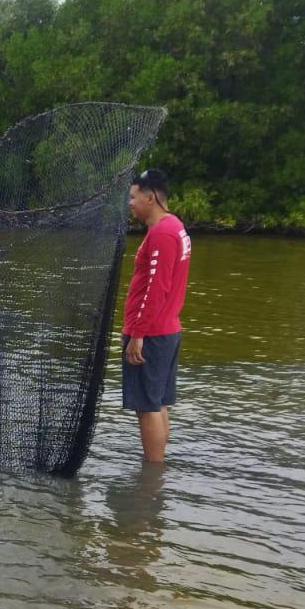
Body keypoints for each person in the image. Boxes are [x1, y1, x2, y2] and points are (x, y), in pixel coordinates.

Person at [121, 168, 192, 463]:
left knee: (148, 406)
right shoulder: (175, 225)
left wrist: (138, 335)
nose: (130, 203)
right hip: (166, 330)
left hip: (152, 333)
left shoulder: (162, 233)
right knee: (158, 403)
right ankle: (154, 473)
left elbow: (156, 289)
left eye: (133, 197)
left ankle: (150, 477)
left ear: (151, 198)